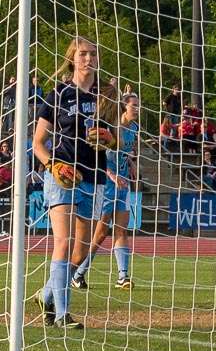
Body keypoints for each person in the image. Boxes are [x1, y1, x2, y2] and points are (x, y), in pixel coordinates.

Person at [33, 37, 110, 330]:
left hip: (94, 176)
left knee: (81, 250)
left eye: (92, 54)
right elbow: (38, 143)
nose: (88, 58)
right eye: (82, 54)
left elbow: (113, 139)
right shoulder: (59, 94)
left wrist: (107, 139)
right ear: (72, 59)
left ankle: (48, 295)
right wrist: (52, 165)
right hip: (62, 176)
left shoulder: (106, 95)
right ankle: (63, 314)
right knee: (63, 242)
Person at [71, 92, 139, 290]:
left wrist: (131, 162)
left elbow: (124, 152)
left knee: (122, 229)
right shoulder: (111, 127)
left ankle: (122, 277)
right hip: (107, 184)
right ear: (123, 107)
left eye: (138, 105)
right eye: (133, 105)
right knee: (100, 233)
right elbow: (99, 156)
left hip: (123, 184)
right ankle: (78, 274)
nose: (137, 109)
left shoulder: (134, 128)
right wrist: (111, 175)